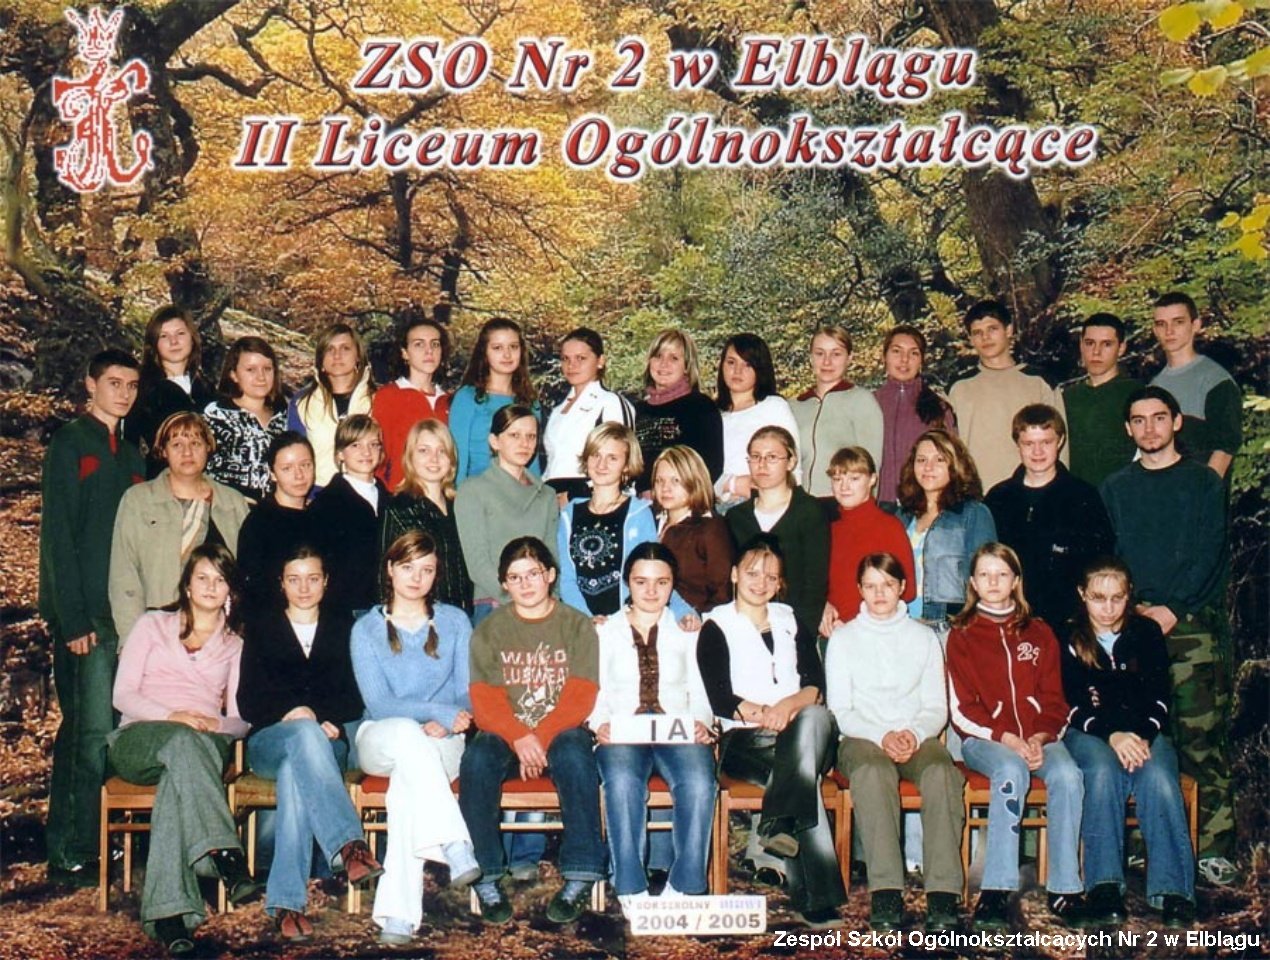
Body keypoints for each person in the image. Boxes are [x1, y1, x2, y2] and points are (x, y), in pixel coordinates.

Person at [1100, 385, 1234, 884]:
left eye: (1159, 417)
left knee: (1200, 738)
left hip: (1190, 628)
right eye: (1139, 420)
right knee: (1143, 737)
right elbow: (1110, 554)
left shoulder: (1202, 482)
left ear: (1176, 422)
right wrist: (1131, 608)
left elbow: (1210, 551)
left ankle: (1214, 847)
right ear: (1128, 429)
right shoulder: (1116, 487)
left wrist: (1173, 607)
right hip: (1132, 628)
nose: (1149, 428)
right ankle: (1143, 843)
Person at [107, 545, 259, 955]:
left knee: (181, 774)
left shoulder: (235, 644)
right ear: (187, 585)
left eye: (220, 579)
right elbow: (123, 695)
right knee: (181, 741)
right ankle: (222, 852)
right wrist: (172, 716)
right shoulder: (152, 625)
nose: (210, 586)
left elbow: (241, 719)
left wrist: (217, 724)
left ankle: (171, 918)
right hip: (140, 738)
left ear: (230, 590)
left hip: (202, 744)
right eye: (202, 578)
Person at [697, 537, 845, 928]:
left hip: (802, 730)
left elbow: (815, 685)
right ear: (734, 575)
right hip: (746, 740)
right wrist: (764, 714)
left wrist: (786, 708)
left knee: (815, 719)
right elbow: (719, 697)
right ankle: (814, 895)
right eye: (752, 573)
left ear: (780, 583)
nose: (761, 582)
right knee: (801, 777)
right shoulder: (715, 625)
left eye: (771, 577)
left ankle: (778, 823)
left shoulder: (790, 619)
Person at [459, 537, 606, 925]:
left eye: (533, 574)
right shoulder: (489, 630)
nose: (525, 584)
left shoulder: (577, 625)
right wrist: (519, 736)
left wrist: (538, 737)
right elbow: (485, 700)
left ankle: (581, 872)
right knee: (477, 758)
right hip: (507, 733)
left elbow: (582, 694)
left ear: (551, 575)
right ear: (503, 584)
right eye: (515, 577)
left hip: (561, 731)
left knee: (575, 754)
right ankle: (486, 875)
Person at [238, 546, 380, 940]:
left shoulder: (343, 628)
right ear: (281, 583)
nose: (304, 588)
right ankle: (349, 844)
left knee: (294, 774)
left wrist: (325, 719)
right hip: (270, 741)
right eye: (294, 579)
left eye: (313, 578)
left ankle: (286, 904)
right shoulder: (262, 627)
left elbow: (354, 695)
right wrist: (293, 714)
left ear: (326, 582)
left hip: (326, 743)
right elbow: (248, 700)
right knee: (302, 733)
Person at [40, 348, 144, 886]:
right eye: (113, 383)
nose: (123, 393)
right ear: (90, 384)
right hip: (86, 619)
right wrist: (72, 619)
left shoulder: (133, 454)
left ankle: (105, 843)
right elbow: (58, 535)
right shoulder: (71, 442)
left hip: (126, 616)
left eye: (131, 385)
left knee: (114, 734)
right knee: (87, 731)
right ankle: (71, 851)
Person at [351, 531, 481, 944]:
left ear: (436, 574)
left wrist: (449, 721)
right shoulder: (366, 628)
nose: (416, 578)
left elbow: (466, 693)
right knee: (407, 735)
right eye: (407, 567)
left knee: (407, 792)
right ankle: (454, 841)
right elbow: (379, 703)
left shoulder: (456, 621)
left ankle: (397, 916)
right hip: (381, 737)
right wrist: (437, 712)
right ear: (390, 569)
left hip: (442, 741)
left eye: (427, 570)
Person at [946, 543, 1085, 927]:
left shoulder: (1039, 632)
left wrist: (1040, 738)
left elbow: (1056, 700)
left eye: (1002, 574)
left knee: (1068, 775)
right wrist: (1008, 738)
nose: (993, 582)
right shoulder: (962, 634)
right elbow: (962, 709)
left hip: (1040, 738)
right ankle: (996, 888)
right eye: (985, 575)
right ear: (973, 583)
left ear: (1015, 581)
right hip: (986, 740)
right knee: (1011, 771)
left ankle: (1065, 888)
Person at [825, 553, 963, 933]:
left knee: (941, 772)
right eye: (870, 586)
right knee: (873, 772)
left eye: (887, 584)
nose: (879, 593)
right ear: (859, 590)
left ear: (902, 587)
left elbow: (936, 707)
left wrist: (913, 734)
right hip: (861, 736)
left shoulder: (924, 638)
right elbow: (841, 710)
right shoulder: (844, 639)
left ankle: (943, 892)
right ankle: (886, 889)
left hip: (914, 734)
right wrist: (881, 735)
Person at [1060, 557, 1196, 928]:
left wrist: (1141, 736)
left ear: (1129, 596)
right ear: (1082, 595)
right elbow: (1071, 702)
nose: (1108, 608)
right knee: (1102, 773)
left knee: (1159, 779)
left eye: (1117, 598)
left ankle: (1173, 890)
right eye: (1098, 598)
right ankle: (1104, 887)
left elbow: (1160, 698)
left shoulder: (1146, 633)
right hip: (1091, 732)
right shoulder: (1069, 635)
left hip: (1142, 732)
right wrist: (1112, 735)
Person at [589, 543, 716, 914]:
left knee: (699, 782)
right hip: (623, 730)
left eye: (662, 582)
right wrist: (599, 724)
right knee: (623, 783)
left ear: (673, 584)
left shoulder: (687, 631)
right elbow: (594, 688)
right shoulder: (605, 631)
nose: (651, 590)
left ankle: (685, 884)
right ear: (627, 582)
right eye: (641, 581)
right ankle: (630, 884)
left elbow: (700, 690)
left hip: (676, 727)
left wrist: (702, 723)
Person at [109, 411, 250, 643]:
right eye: (177, 444)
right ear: (163, 451)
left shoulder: (233, 503)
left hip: (222, 637)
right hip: (159, 633)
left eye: (196, 443)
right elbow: (124, 577)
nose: (187, 452)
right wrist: (133, 642)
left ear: (208, 447)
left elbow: (246, 576)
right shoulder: (139, 500)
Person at [985, 404, 1113, 628]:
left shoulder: (1084, 497)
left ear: (1060, 441)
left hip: (1068, 621)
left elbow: (1100, 564)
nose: (1038, 452)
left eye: (1046, 442)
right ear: (1017, 444)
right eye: (1029, 443)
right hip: (1009, 618)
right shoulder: (998, 498)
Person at [558, 422, 691, 622]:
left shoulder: (639, 513)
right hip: (580, 622)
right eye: (595, 455)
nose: (601, 464)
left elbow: (654, 571)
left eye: (612, 458)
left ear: (627, 465)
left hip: (626, 623)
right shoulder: (569, 514)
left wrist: (683, 612)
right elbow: (567, 579)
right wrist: (587, 620)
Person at [455, 405, 559, 624]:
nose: (524, 443)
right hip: (494, 603)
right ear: (495, 441)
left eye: (531, 436)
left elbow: (552, 557)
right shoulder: (472, 490)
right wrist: (520, 600)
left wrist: (551, 603)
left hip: (542, 606)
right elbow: (477, 563)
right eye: (514, 435)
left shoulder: (547, 495)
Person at [947, 300, 1067, 490]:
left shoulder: (1039, 382)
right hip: (976, 493)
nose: (985, 337)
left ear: (1009, 330)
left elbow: (1060, 443)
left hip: (1032, 490)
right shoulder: (958, 388)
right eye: (977, 333)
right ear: (970, 339)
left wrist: (1059, 489)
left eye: (992, 329)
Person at [726, 426, 830, 640]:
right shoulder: (736, 517)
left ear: (791, 462)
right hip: (746, 628)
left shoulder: (809, 512)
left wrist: (801, 638)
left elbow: (815, 584)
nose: (762, 464)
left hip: (793, 628)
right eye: (755, 457)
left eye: (772, 457)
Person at [891, 429, 996, 631]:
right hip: (902, 626)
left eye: (939, 459)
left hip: (948, 628)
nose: (928, 467)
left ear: (955, 465)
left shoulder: (974, 514)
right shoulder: (902, 516)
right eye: (921, 460)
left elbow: (988, 580)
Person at [379, 418, 474, 614]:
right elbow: (384, 576)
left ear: (451, 459)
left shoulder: (461, 506)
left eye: (442, 451)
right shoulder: (398, 508)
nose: (434, 459)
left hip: (464, 616)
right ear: (410, 457)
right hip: (421, 617)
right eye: (424, 450)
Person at [819, 447, 915, 636]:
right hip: (834, 633)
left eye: (854, 479)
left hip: (876, 632)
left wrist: (858, 624)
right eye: (837, 479)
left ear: (872, 480)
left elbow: (907, 590)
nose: (844, 487)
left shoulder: (890, 527)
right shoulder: (828, 529)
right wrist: (823, 605)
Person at [1149, 291, 1242, 480]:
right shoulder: (1153, 387)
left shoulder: (1215, 380)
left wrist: (1203, 492)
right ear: (1155, 330)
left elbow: (1224, 449)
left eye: (1178, 322)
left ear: (1195, 325)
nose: (1169, 331)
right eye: (1161, 324)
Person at [307, 414, 388, 618]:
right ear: (340, 453)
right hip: (345, 610)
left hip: (389, 607)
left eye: (373, 444)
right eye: (355, 445)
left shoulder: (391, 500)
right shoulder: (324, 505)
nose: (366, 452)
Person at [791, 325, 883, 499]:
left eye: (836, 354)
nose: (827, 362)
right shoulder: (795, 406)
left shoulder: (862, 401)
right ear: (810, 357)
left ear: (849, 358)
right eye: (820, 353)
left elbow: (872, 465)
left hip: (843, 503)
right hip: (801, 504)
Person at [543, 327, 635, 501]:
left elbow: (624, 462)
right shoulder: (557, 410)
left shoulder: (610, 403)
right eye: (565, 359)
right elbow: (553, 465)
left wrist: (575, 494)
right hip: (552, 500)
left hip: (590, 498)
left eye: (581, 358)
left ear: (600, 361)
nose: (572, 365)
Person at [236, 431, 318, 616]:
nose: (299, 475)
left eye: (305, 465)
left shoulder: (321, 515)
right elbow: (253, 589)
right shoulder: (259, 523)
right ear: (272, 474)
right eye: (287, 468)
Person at [125, 305, 215, 474]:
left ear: (192, 338)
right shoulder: (143, 389)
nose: (174, 342)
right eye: (164, 336)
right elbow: (129, 445)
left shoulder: (206, 387)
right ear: (154, 343)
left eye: (180, 334)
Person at [715, 333, 801, 510]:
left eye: (747, 364)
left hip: (765, 505)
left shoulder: (773, 407)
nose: (737, 371)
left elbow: (794, 464)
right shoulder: (712, 413)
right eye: (731, 362)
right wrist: (733, 484)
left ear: (760, 369)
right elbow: (701, 472)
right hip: (717, 507)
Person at [449, 317, 539, 483]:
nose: (507, 354)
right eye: (497, 348)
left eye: (513, 347)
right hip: (477, 492)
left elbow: (533, 466)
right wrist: (459, 496)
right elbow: (457, 457)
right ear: (484, 352)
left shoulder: (530, 402)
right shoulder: (467, 397)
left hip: (518, 494)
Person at [874, 325, 956, 505]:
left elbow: (951, 465)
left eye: (913, 353)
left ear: (922, 361)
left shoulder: (939, 409)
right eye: (897, 351)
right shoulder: (869, 404)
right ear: (884, 356)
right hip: (877, 505)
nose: (904, 360)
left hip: (922, 505)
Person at [632, 329, 723, 491]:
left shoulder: (701, 407)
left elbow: (711, 466)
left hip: (685, 499)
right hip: (641, 501)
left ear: (687, 366)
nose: (663, 364)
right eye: (658, 356)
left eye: (674, 358)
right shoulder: (638, 410)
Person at [287, 323, 374, 488]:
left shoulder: (378, 399)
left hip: (368, 492)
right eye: (330, 349)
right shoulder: (302, 402)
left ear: (358, 356)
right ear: (321, 359)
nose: (337, 355)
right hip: (318, 494)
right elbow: (297, 455)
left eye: (345, 348)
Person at [203, 335, 288, 501]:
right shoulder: (215, 417)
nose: (261, 376)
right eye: (251, 369)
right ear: (234, 374)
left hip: (277, 510)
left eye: (267, 369)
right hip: (228, 509)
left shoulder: (286, 417)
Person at [1061, 313, 1141, 487]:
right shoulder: (1067, 398)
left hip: (1122, 493)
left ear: (1121, 348)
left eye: (1107, 344)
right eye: (1090, 343)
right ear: (1081, 345)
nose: (1096, 352)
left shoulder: (1137, 395)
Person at [372, 315, 451, 491]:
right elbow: (379, 457)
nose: (429, 351)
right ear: (405, 353)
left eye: (435, 344)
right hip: (401, 495)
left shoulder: (448, 401)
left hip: (442, 496)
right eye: (419, 344)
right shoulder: (389, 396)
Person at [651, 445, 733, 614]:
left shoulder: (710, 528)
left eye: (675, 481)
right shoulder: (650, 519)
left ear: (694, 482)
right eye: (659, 481)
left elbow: (723, 593)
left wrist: (699, 621)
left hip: (694, 620)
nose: (665, 488)